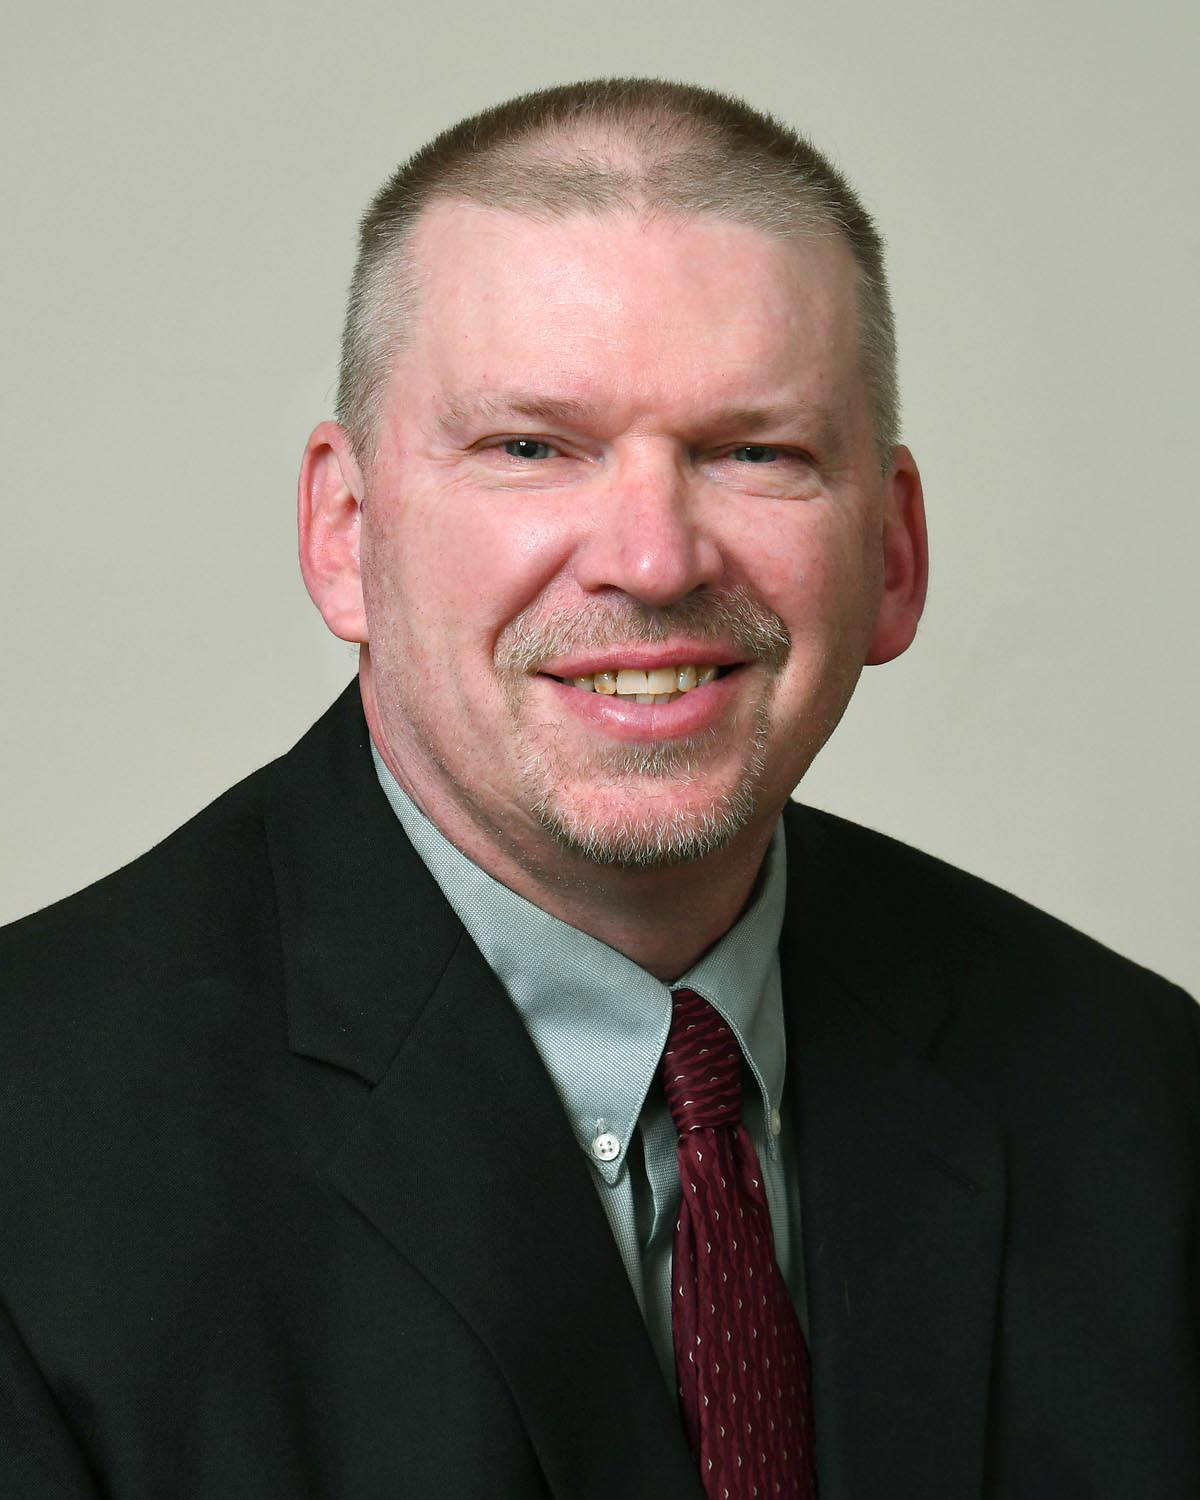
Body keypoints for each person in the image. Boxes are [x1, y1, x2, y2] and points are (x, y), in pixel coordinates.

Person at [0, 78, 1195, 1500]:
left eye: (755, 452)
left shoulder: (1142, 1102)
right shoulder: (33, 1162)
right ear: (343, 531)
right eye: (531, 449)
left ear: (893, 552)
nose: (652, 557)